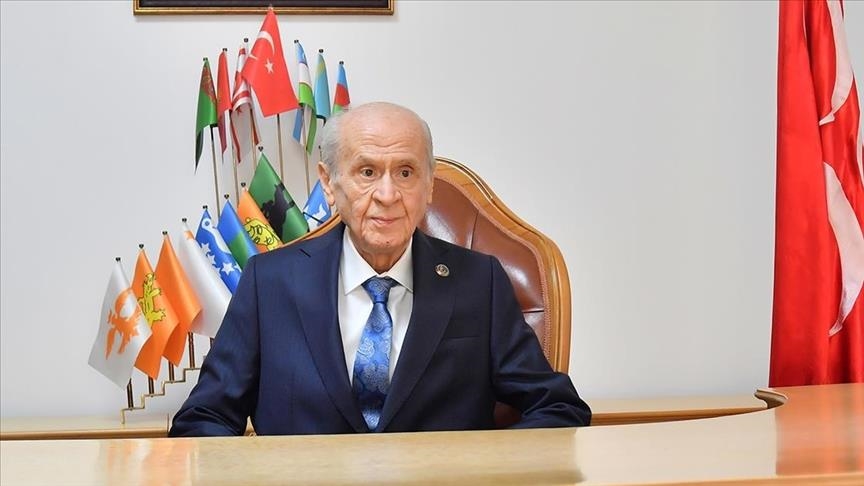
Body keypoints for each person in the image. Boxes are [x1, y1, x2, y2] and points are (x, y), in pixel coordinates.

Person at [169, 102, 591, 436]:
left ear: (428, 185)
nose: (387, 194)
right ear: (329, 184)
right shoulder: (269, 284)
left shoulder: (480, 283)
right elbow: (203, 419)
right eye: (367, 172)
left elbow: (558, 408)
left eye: (405, 172)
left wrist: (485, 470)